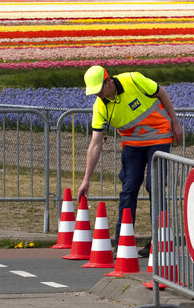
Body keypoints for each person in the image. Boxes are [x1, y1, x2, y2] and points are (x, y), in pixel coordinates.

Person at [77, 65, 184, 256]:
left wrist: (175, 122)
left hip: (158, 137)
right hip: (132, 144)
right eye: (94, 93)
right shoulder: (99, 106)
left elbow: (162, 93)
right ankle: (123, 242)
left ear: (109, 81)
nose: (99, 96)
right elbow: (95, 144)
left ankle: (158, 242)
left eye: (100, 90)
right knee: (129, 188)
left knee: (155, 186)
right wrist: (86, 180)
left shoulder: (133, 79)